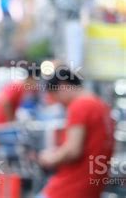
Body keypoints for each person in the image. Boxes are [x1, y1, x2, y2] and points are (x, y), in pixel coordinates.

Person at [38, 67, 115, 198]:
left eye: (54, 95)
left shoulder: (79, 106)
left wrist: (49, 159)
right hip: (91, 187)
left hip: (70, 187)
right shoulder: (100, 104)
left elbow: (73, 150)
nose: (58, 102)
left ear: (63, 86)